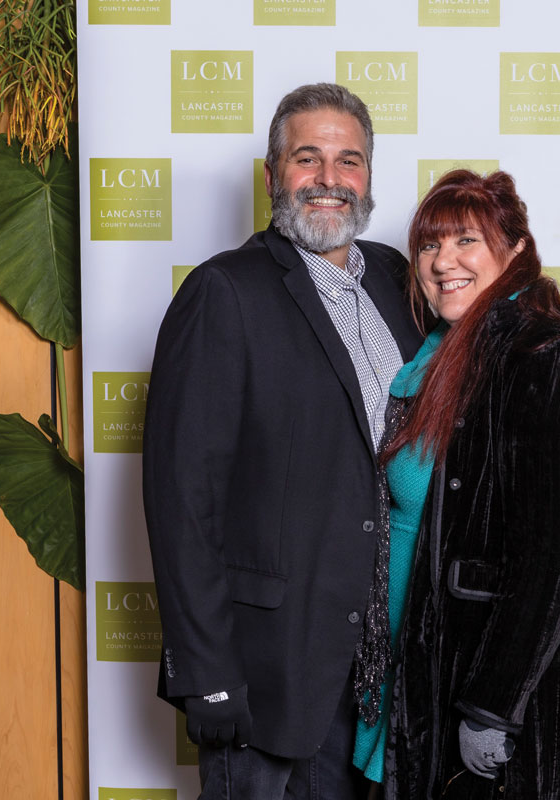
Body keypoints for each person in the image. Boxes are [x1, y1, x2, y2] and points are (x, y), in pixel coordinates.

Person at [142, 83, 422, 799]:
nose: (330, 178)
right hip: (269, 672)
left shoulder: (398, 282)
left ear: (368, 176)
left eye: (348, 160)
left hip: (382, 669)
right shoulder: (224, 292)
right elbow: (182, 499)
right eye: (307, 158)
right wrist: (205, 674)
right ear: (273, 175)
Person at [351, 169, 560, 799]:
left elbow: (552, 559)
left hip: (485, 685)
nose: (443, 262)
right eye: (430, 245)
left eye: (466, 240)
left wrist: (492, 708)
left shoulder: (542, 357)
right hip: (413, 670)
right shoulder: (436, 354)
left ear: (516, 249)